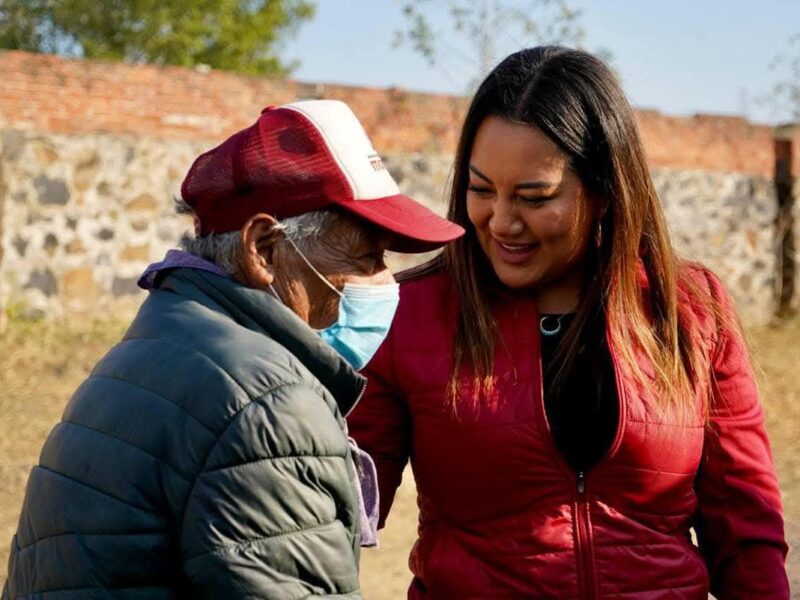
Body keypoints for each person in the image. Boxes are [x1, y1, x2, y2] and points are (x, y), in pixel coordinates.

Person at [348, 47, 790, 599]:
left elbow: (747, 535)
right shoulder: (412, 315)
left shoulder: (692, 310)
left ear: (605, 191)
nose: (501, 221)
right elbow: (337, 518)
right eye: (481, 189)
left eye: (535, 197)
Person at [1, 99, 463, 599]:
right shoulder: (267, 405)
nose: (383, 281)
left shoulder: (155, 344)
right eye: (364, 256)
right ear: (263, 248)